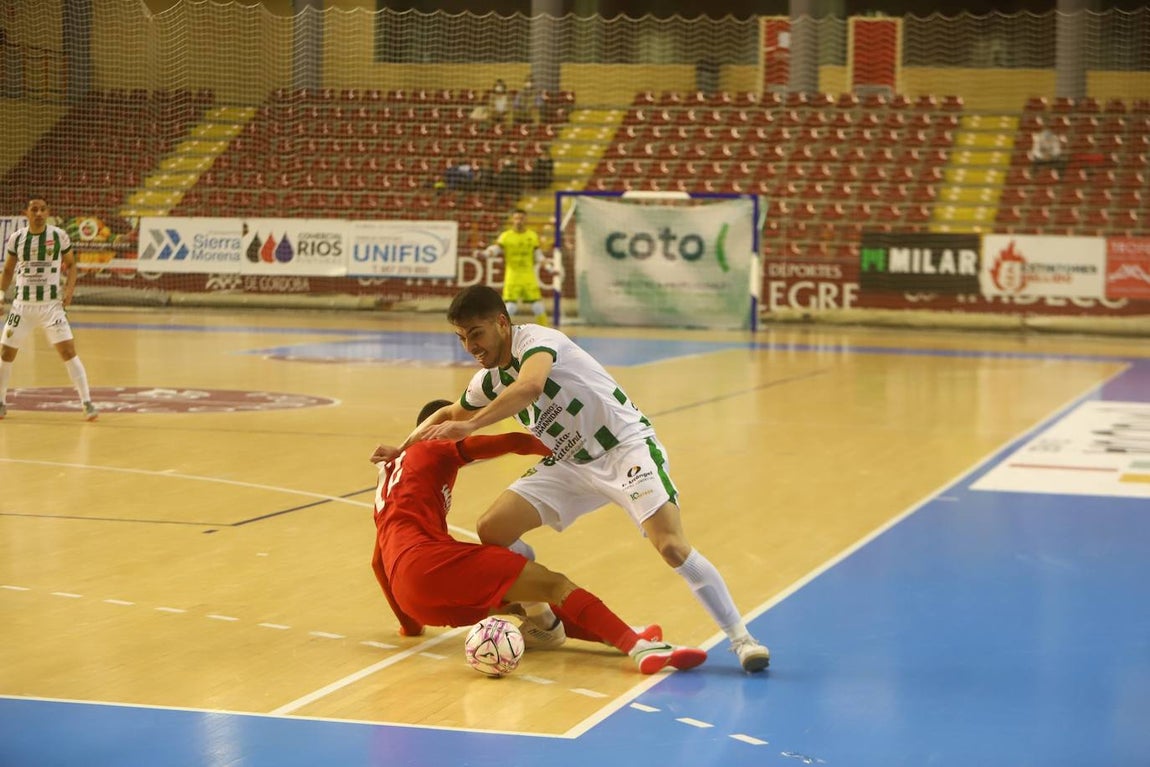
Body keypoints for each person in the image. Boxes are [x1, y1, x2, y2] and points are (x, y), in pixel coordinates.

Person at [391, 286, 772, 673]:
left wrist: (472, 425)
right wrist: (401, 449)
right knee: (493, 528)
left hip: (624, 449)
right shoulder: (488, 381)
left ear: (502, 323)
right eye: (462, 338)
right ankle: (543, 622)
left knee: (672, 546)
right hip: (571, 463)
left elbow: (530, 387)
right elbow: (445, 414)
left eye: (476, 333)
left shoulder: (538, 341)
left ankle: (742, 639)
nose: (470, 346)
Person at [368, 398, 707, 675]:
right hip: (428, 562)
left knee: (524, 598)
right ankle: (639, 648)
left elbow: (378, 563)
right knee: (554, 584)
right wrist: (564, 453)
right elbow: (511, 442)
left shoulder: (388, 482)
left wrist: (410, 624)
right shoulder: (432, 449)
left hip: (412, 595)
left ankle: (621, 636)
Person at [0, 197, 98, 421]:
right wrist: (1, 296)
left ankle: (87, 403)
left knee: (68, 352)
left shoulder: (59, 236)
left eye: (43, 209)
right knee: (5, 353)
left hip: (51, 307)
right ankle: (1, 402)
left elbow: (71, 265)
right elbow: (8, 271)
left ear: (48, 212)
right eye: (34, 210)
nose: (39, 213)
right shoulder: (17, 238)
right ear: (26, 213)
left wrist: (69, 291)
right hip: (21, 307)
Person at [482, 208, 547, 325]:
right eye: (516, 218)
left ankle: (545, 330)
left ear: (525, 220)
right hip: (512, 275)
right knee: (511, 307)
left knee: (537, 306)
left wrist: (548, 267)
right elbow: (496, 249)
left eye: (521, 218)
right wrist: (487, 253)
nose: (518, 221)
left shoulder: (532, 236)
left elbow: (538, 255)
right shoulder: (506, 236)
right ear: (513, 219)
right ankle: (501, 328)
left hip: (528, 276)